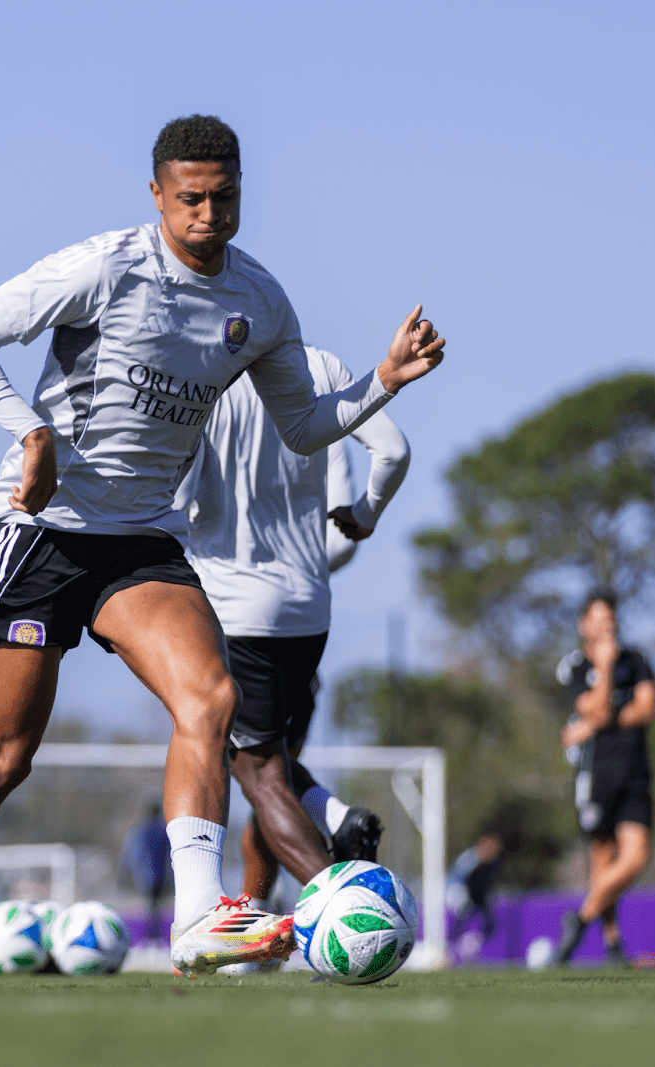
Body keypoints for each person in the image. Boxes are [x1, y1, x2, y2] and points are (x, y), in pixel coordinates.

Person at [0, 114, 445, 990]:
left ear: (240, 195)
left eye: (223, 198)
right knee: (5, 756)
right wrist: (29, 431)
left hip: (140, 538)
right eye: (188, 198)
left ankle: (198, 912)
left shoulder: (260, 302)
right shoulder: (105, 267)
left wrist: (381, 380)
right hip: (38, 530)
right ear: (156, 193)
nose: (206, 215)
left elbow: (304, 428)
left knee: (211, 697)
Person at [178, 344, 405, 907]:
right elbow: (393, 452)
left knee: (259, 774)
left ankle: (346, 907)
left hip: (232, 610)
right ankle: (256, 922)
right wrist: (365, 515)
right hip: (308, 610)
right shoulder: (323, 369)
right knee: (271, 767)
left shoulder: (199, 376)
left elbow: (174, 500)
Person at [553, 592, 655, 968]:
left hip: (635, 771)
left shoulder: (637, 661)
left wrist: (597, 722)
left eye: (610, 620)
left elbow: (646, 709)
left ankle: (580, 918)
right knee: (602, 859)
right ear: (584, 624)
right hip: (596, 774)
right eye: (597, 620)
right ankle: (612, 943)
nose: (605, 627)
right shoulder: (574, 666)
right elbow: (595, 707)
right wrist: (603, 667)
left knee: (635, 857)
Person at [119, 801, 172, 944]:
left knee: (152, 907)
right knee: (155, 908)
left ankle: (151, 939)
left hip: (147, 875)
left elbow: (133, 853)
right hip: (160, 875)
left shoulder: (141, 830)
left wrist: (127, 872)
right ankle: (153, 938)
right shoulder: (162, 830)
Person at [446, 833, 503, 944]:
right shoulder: (471, 859)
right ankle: (453, 944)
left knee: (488, 924)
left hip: (473, 899)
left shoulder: (488, 865)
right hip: (456, 894)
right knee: (462, 917)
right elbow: (456, 880)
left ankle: (467, 945)